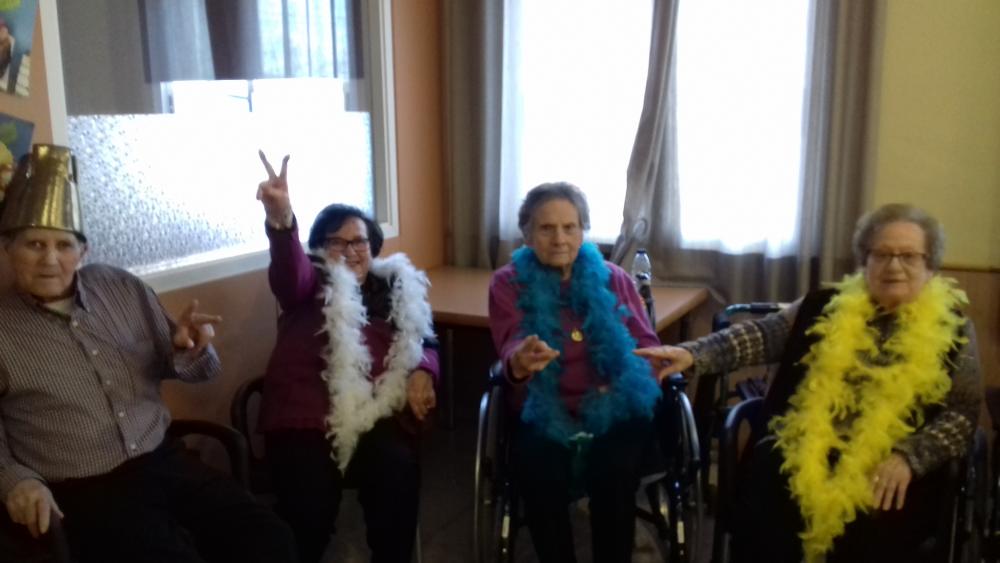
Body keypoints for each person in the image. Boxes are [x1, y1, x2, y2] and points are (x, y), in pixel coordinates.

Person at [636, 203, 982, 563]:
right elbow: (761, 336)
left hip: (892, 465)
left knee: (879, 519)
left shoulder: (954, 330)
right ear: (864, 261)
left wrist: (911, 457)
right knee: (768, 488)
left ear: (930, 266)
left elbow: (963, 414)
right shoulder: (823, 306)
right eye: (881, 254)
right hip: (806, 449)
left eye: (908, 256)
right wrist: (692, 353)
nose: (894, 266)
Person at [0, 144, 296, 563]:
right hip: (86, 488)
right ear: (8, 248)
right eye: (34, 244)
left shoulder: (120, 287)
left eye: (63, 245)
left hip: (163, 457)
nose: (50, 259)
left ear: (83, 253)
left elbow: (192, 369)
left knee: (269, 538)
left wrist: (188, 349)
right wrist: (16, 480)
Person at [255, 151, 439, 563]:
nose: (350, 251)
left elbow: (426, 339)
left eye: (358, 241)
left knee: (397, 471)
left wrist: (424, 371)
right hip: (305, 416)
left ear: (373, 246)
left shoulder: (397, 289)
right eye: (336, 242)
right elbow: (288, 275)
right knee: (309, 513)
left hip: (374, 412)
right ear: (320, 250)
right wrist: (281, 219)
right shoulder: (309, 284)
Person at [488, 182, 663, 563]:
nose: (559, 239)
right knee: (538, 468)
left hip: (614, 406)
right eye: (546, 228)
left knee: (616, 468)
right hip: (542, 409)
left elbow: (648, 348)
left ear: (583, 231)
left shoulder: (614, 278)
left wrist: (623, 387)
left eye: (569, 227)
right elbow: (510, 343)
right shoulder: (508, 283)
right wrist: (520, 360)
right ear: (527, 234)